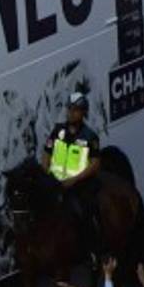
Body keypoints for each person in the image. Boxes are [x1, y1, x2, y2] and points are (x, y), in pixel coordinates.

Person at [41, 92, 103, 258]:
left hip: (78, 185)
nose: (71, 113)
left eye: (76, 110)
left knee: (83, 211)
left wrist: (74, 180)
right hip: (56, 183)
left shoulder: (89, 137)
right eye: (69, 109)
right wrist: (47, 174)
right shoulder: (58, 131)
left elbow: (95, 164)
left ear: (83, 113)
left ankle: (91, 251)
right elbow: (46, 153)